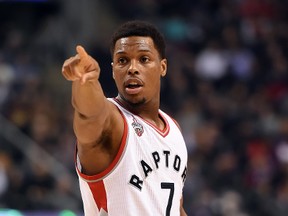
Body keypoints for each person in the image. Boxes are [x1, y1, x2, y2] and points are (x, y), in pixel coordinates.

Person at [62, 20, 188, 216]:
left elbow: (175, 208)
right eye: (122, 61)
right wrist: (85, 82)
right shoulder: (112, 122)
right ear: (112, 70)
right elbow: (89, 114)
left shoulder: (174, 130)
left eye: (144, 59)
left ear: (162, 67)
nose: (132, 68)